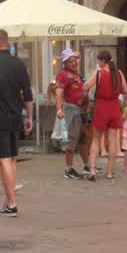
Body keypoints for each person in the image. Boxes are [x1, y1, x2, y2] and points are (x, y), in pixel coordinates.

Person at [0, 30, 32, 218]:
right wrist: (29, 118)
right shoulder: (19, 64)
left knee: (3, 159)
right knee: (11, 157)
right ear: (7, 43)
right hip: (15, 116)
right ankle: (8, 200)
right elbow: (28, 93)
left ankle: (11, 204)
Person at [83, 50, 127, 181]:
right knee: (113, 140)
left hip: (101, 107)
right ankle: (109, 173)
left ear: (102, 61)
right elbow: (125, 90)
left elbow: (85, 86)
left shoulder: (99, 73)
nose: (98, 63)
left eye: (98, 61)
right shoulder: (119, 73)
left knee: (96, 140)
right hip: (114, 107)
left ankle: (92, 170)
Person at [53, 48, 90, 179]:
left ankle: (87, 166)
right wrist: (59, 108)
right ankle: (68, 169)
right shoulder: (63, 75)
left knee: (83, 139)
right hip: (72, 111)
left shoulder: (77, 74)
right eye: (70, 61)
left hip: (81, 111)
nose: (74, 63)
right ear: (65, 63)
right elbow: (59, 93)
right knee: (72, 140)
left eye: (75, 61)